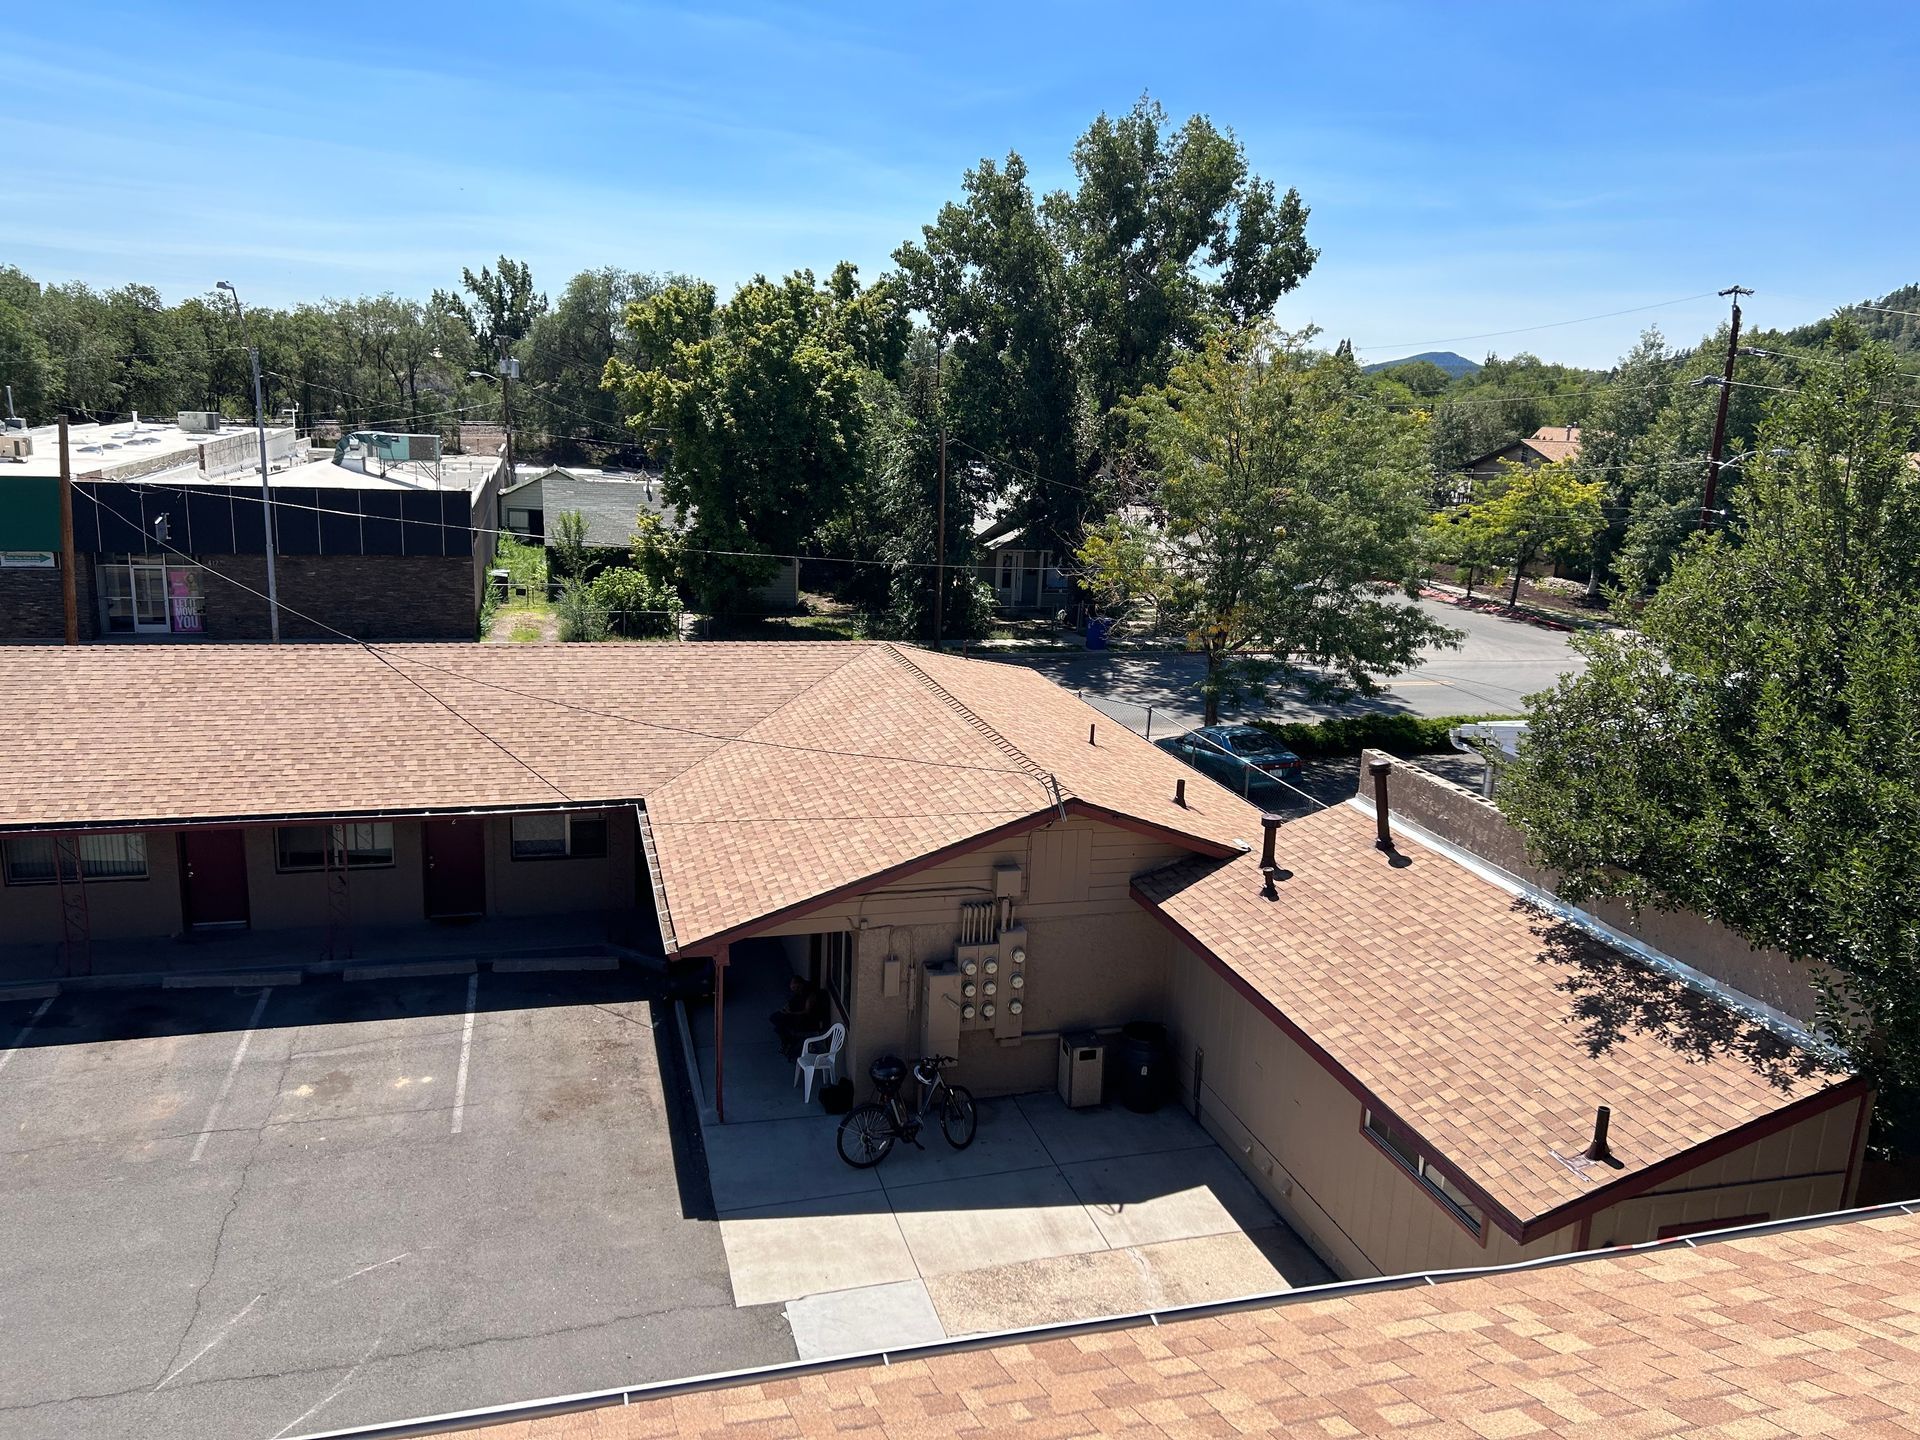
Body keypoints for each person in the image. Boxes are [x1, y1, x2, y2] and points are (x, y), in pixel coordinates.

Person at [770, 976, 829, 1060]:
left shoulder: (810, 993)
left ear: (800, 985)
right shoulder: (798, 993)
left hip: (808, 1019)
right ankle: (787, 1042)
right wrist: (787, 1008)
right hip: (797, 1015)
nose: (794, 990)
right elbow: (793, 1001)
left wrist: (791, 1013)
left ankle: (788, 1043)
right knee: (775, 1019)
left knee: (781, 1026)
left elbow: (807, 1011)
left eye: (795, 988)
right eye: (793, 988)